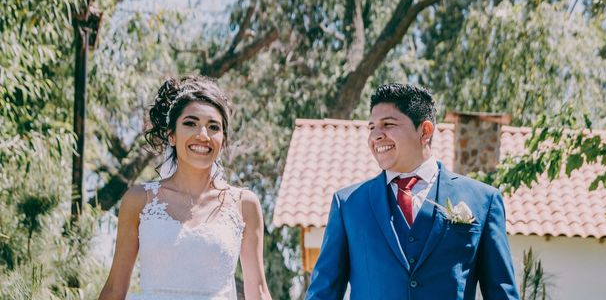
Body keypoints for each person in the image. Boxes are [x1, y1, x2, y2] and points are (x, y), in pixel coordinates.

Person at [306, 83, 519, 300]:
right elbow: (323, 294)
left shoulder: (484, 200)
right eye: (372, 127)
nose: (376, 136)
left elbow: (502, 294)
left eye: (388, 124)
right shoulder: (348, 204)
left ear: (425, 131)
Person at [99, 76, 272, 300]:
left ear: (224, 140)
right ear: (171, 135)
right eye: (190, 123)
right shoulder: (139, 200)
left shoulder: (244, 204)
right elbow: (114, 288)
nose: (203, 135)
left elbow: (258, 292)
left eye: (213, 127)